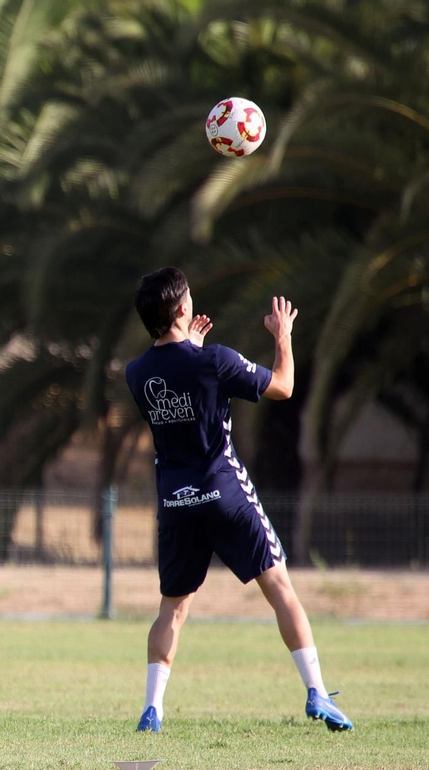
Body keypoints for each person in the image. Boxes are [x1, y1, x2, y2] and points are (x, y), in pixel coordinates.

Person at [122, 267, 352, 733]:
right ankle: (317, 692)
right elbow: (283, 386)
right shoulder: (215, 360)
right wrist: (283, 336)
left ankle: (152, 709)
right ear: (183, 308)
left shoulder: (137, 373)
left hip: (176, 502)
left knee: (172, 609)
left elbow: (180, 386)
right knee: (280, 589)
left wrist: (192, 349)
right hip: (224, 493)